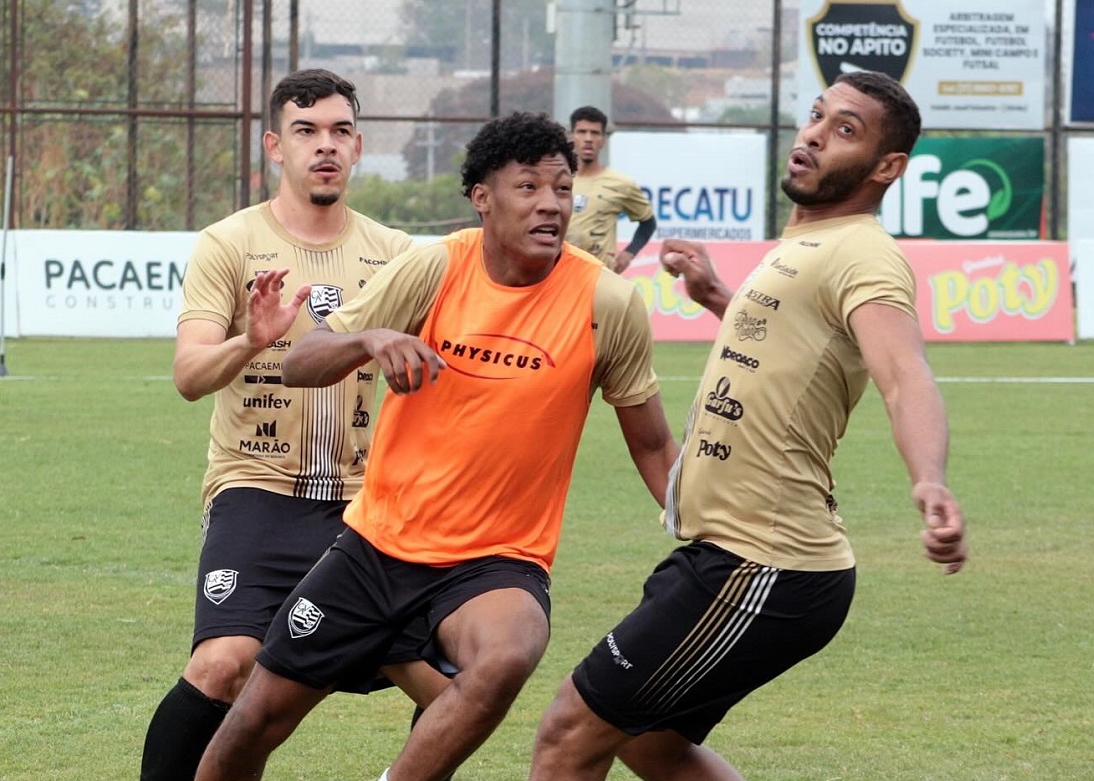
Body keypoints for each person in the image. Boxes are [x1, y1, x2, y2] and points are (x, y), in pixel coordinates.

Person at [193, 110, 679, 781]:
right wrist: (369, 340)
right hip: (376, 547)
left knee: (508, 653)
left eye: (563, 189)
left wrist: (705, 524)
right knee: (252, 722)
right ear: (483, 196)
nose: (550, 204)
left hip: (496, 560)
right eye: (528, 187)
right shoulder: (435, 268)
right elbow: (304, 359)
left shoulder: (606, 300)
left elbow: (652, 442)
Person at [527, 70, 969, 781]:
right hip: (736, 553)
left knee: (568, 732)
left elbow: (902, 372)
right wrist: (717, 298)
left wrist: (929, 479)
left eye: (845, 130)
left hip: (763, 562)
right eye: (818, 115)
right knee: (649, 742)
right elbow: (797, 347)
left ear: (888, 167)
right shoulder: (812, 241)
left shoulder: (864, 253)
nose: (815, 134)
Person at [140, 68, 450, 781]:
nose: (325, 146)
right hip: (257, 490)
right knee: (222, 663)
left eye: (340, 131)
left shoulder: (400, 254)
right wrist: (252, 338)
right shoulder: (228, 243)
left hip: (366, 504)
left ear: (359, 145)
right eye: (307, 132)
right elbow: (189, 377)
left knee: (453, 688)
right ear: (275, 146)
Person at [565, 105, 656, 273]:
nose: (588, 139)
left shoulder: (620, 183)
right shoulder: (559, 180)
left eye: (595, 133)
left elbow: (648, 223)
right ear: (572, 136)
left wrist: (630, 252)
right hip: (560, 272)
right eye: (582, 132)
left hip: (599, 274)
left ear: (603, 140)